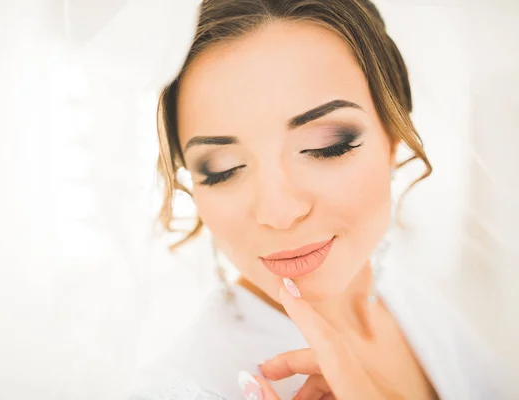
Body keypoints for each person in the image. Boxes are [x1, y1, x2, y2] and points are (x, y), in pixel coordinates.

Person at [129, 0, 511, 398]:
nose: (278, 212)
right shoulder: (188, 385)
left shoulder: (419, 301)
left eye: (327, 146)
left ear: (393, 134)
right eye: (222, 169)